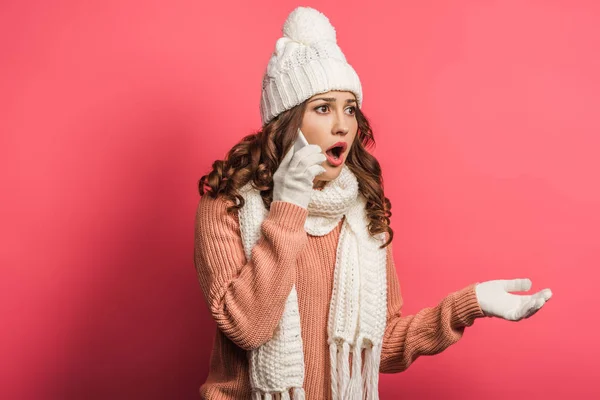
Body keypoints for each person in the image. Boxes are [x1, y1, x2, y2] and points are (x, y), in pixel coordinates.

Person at [194, 6, 552, 400]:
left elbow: (379, 342)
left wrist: (468, 305)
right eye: (323, 108)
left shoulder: (361, 211)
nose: (343, 124)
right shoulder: (227, 206)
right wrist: (289, 205)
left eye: (349, 108)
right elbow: (250, 327)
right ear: (286, 124)